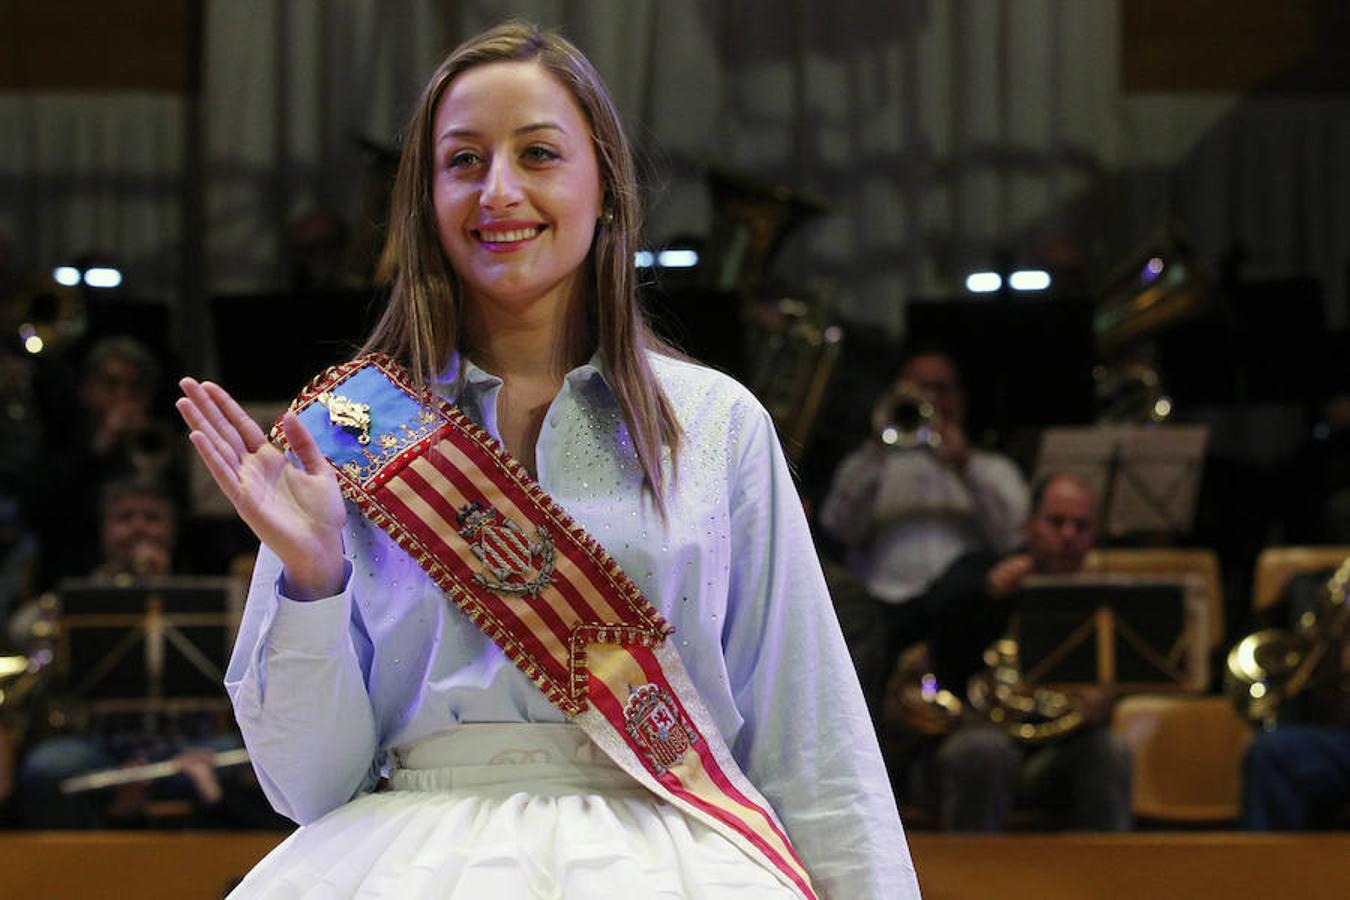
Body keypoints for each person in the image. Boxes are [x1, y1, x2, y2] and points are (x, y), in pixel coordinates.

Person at [177, 20, 917, 899]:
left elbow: (810, 727)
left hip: (679, 851)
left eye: (538, 154)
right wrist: (312, 579)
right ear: (424, 200)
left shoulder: (717, 424)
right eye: (462, 161)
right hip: (404, 859)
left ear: (604, 185)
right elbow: (308, 786)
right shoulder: (344, 433)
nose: (499, 191)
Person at [909, 472, 1131, 831]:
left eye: (1081, 526)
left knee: (1108, 750)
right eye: (1056, 522)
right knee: (984, 750)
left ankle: (1112, 883)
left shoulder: (1102, 604)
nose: (1068, 536)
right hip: (969, 738)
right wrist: (987, 595)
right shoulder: (979, 573)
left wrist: (1106, 700)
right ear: (1028, 526)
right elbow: (921, 623)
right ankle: (972, 884)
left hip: (1053, 752)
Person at [818, 346, 1029, 715]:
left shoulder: (991, 468)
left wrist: (965, 466)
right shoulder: (873, 465)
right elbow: (838, 527)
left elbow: (1015, 535)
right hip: (887, 617)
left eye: (942, 388)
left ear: (960, 399)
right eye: (919, 387)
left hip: (962, 621)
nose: (930, 398)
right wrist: (878, 451)